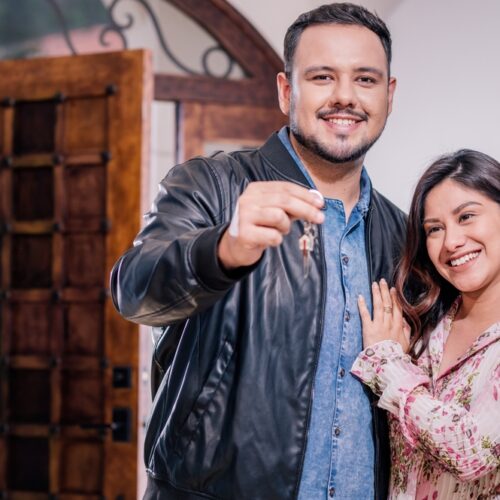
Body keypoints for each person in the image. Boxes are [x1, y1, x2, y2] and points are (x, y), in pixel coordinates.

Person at [111, 3, 406, 499]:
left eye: (365, 80)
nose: (344, 97)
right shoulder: (212, 184)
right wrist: (222, 249)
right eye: (321, 76)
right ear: (286, 90)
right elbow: (133, 289)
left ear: (389, 95)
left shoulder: (399, 232)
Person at [352, 149, 500, 499]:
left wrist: (387, 364)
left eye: (466, 217)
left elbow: (471, 451)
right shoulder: (428, 329)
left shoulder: (395, 359)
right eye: (435, 228)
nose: (451, 242)